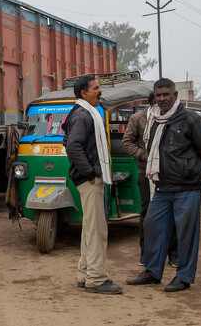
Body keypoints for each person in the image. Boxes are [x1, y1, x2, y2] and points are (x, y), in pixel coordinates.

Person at [127, 78, 201, 292]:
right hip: (162, 186)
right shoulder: (153, 119)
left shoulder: (191, 119)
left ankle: (184, 277)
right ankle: (152, 272)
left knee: (185, 234)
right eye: (158, 95)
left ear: (175, 95)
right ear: (154, 97)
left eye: (166, 94)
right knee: (152, 226)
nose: (162, 98)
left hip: (187, 187)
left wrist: (188, 171)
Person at [64, 75, 122, 295]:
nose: (100, 91)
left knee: (90, 229)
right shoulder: (83, 115)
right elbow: (72, 146)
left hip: (88, 179)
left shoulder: (82, 113)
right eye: (96, 88)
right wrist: (88, 173)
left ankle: (85, 273)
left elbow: (68, 141)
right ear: (83, 93)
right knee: (97, 230)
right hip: (89, 180)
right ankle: (96, 279)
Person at [122, 91, 178, 267]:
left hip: (169, 173)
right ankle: (146, 252)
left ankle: (173, 254)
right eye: (158, 100)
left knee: (172, 213)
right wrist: (145, 156)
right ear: (153, 102)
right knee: (147, 214)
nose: (162, 102)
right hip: (145, 172)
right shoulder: (138, 119)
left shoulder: (175, 117)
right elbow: (127, 142)